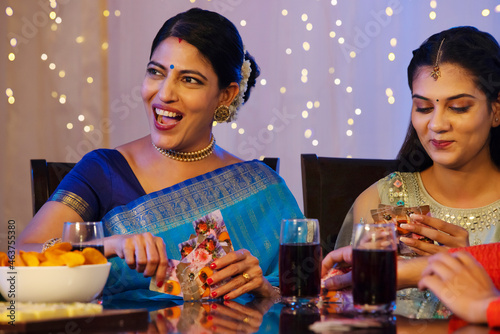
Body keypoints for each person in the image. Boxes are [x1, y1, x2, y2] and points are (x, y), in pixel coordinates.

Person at [17, 8, 303, 300]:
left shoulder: (259, 185)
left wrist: (267, 289)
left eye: (189, 79)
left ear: (226, 95)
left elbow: (310, 293)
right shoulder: (103, 171)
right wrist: (107, 243)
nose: (164, 94)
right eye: (156, 72)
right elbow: (22, 254)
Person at [335, 25, 500, 255]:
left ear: (496, 110)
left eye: (458, 107)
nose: (437, 125)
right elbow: (340, 289)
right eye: (424, 108)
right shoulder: (383, 200)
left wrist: (477, 267)